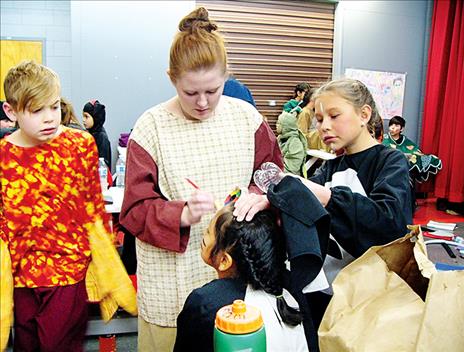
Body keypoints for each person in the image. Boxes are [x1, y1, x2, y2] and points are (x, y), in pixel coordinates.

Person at [118, 7, 282, 352]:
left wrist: (257, 194)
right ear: (171, 78)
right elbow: (133, 209)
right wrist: (180, 214)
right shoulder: (152, 128)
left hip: (235, 276)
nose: (203, 102)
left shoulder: (246, 118)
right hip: (171, 282)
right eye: (190, 93)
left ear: (226, 76)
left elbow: (271, 172)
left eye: (213, 90)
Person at [234, 78, 413, 332]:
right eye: (319, 119)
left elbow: (389, 225)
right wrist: (270, 201)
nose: (324, 127)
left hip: (373, 303)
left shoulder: (390, 162)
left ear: (364, 114)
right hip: (328, 298)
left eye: (334, 115)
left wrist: (325, 196)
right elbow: (301, 206)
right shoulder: (329, 167)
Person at [0, 60, 115, 351]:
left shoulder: (79, 145)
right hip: (22, 273)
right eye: (37, 110)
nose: (50, 118)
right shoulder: (4, 156)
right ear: (11, 111)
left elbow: (93, 206)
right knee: (27, 344)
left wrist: (104, 260)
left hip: (68, 270)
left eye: (54, 107)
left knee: (57, 344)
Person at [174, 203, 308, 352]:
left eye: (207, 232)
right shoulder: (290, 287)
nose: (203, 235)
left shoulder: (204, 303)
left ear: (224, 261)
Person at [382, 115, 442, 183]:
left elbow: (415, 150)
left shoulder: (406, 141)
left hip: (405, 171)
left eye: (396, 125)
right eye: (391, 125)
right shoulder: (384, 138)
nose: (392, 127)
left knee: (418, 158)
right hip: (389, 169)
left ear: (402, 129)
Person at [276, 110, 307, 176]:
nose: (276, 125)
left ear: (286, 126)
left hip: (290, 178)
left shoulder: (295, 142)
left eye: (279, 123)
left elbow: (292, 167)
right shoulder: (281, 138)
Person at [83, 99, 111, 169]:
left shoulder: (101, 137)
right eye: (83, 116)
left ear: (95, 118)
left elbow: (104, 164)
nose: (83, 120)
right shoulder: (89, 133)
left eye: (86, 116)